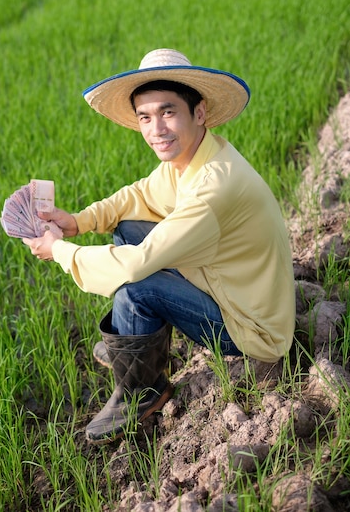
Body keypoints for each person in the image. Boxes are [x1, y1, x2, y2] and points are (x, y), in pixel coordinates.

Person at [23, 48, 296, 445]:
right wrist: (79, 222)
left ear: (198, 112)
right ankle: (135, 346)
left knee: (136, 288)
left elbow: (139, 263)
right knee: (129, 227)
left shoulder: (214, 186)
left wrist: (61, 251)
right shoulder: (191, 156)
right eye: (145, 117)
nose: (157, 129)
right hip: (231, 282)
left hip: (253, 325)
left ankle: (141, 390)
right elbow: (137, 197)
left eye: (168, 112)